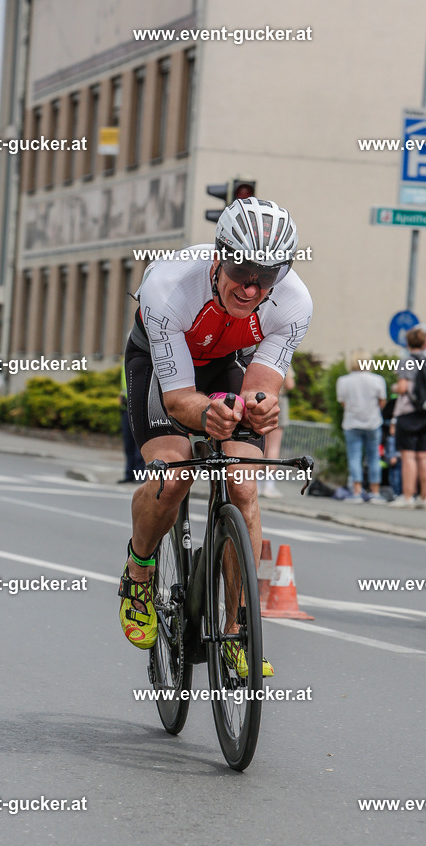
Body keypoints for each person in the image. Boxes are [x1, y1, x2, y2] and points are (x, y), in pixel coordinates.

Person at [119, 197, 312, 675]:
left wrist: (261, 409)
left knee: (244, 486)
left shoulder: (294, 301)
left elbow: (261, 386)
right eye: (243, 269)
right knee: (173, 474)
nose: (251, 287)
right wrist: (209, 414)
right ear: (219, 255)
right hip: (162, 366)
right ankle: (139, 571)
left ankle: (235, 629)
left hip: (228, 362)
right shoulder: (168, 288)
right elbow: (178, 396)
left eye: (266, 276)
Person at [388, 324, 426, 509]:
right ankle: (425, 498)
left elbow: (402, 388)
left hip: (408, 413)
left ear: (408, 342)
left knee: (408, 456)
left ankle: (407, 496)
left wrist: (394, 388)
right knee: (424, 455)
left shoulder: (407, 361)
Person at [335, 352, 386, 503]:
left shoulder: (343, 381)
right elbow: (382, 401)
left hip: (352, 423)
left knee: (354, 457)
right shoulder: (378, 380)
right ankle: (375, 493)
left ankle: (356, 492)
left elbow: (342, 402)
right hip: (373, 422)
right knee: (374, 458)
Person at [259, 365, 295, 497]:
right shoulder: (284, 361)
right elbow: (290, 385)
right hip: (278, 401)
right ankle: (268, 485)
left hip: (262, 400)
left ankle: (255, 483)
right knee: (274, 447)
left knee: (261, 446)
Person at [118, 359, 146, 483]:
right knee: (128, 445)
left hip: (140, 408)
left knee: (139, 445)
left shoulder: (142, 357)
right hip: (126, 408)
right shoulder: (125, 359)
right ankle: (129, 474)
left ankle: (139, 475)